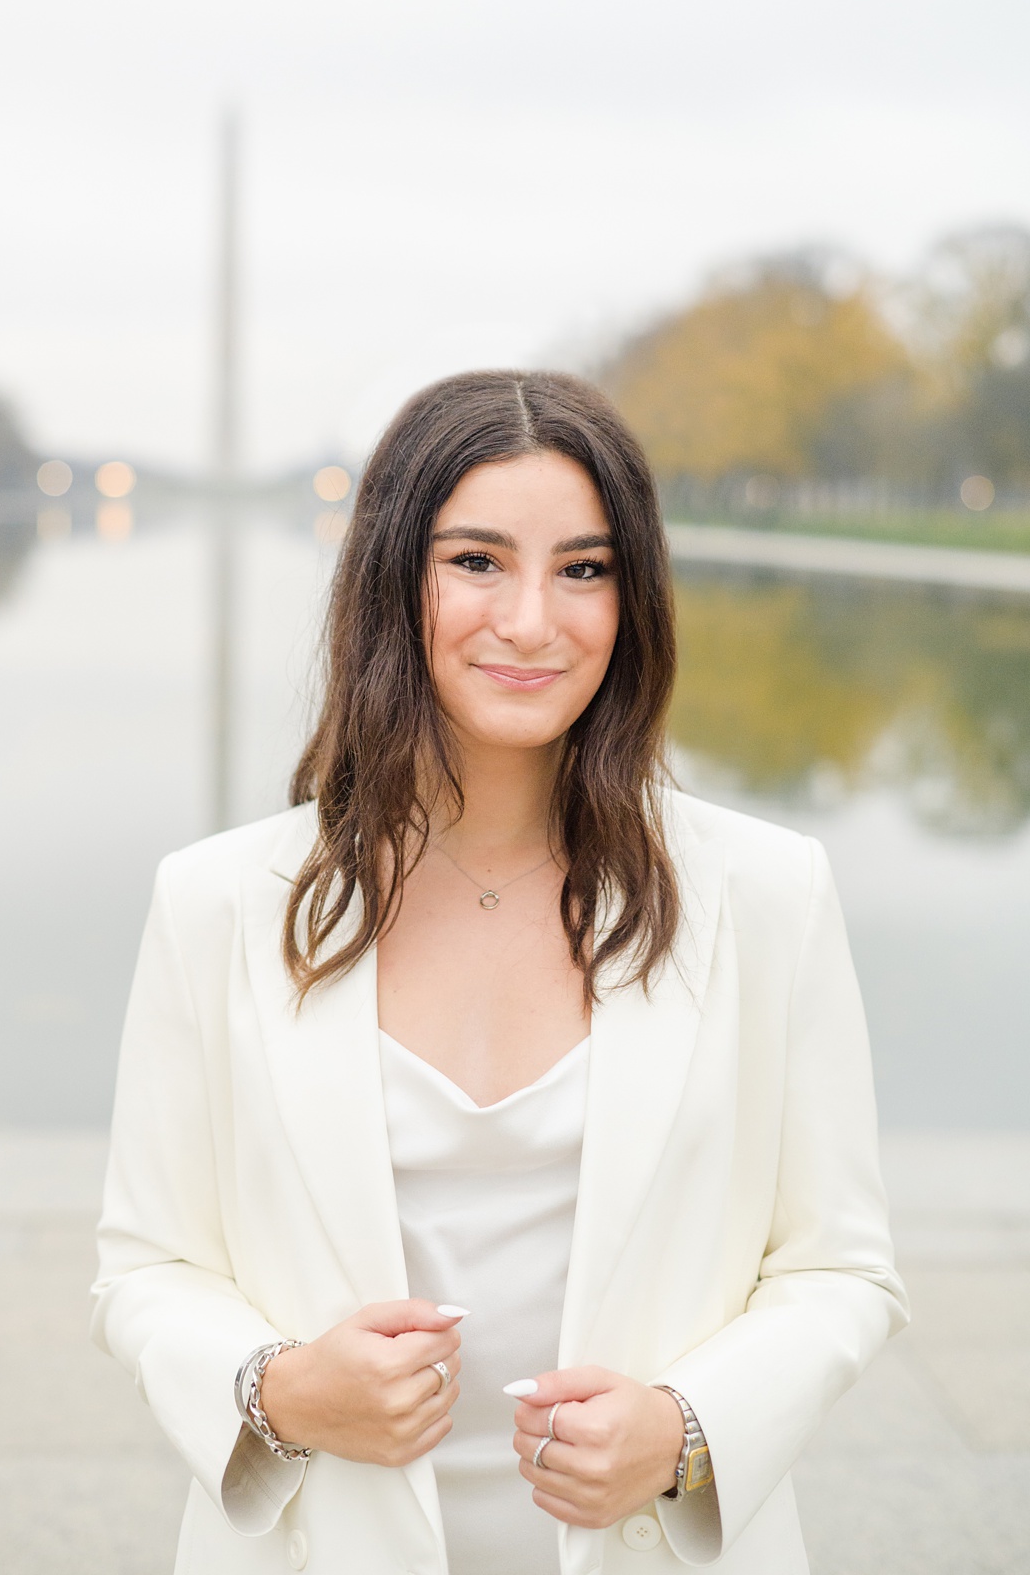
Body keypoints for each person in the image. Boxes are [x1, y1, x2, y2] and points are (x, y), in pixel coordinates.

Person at [92, 372, 905, 1573]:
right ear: (389, 580)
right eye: (475, 560)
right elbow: (146, 1265)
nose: (532, 620)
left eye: (584, 569)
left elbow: (840, 1265)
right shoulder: (216, 903)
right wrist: (285, 1392)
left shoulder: (767, 895)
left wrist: (686, 1432)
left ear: (635, 599)